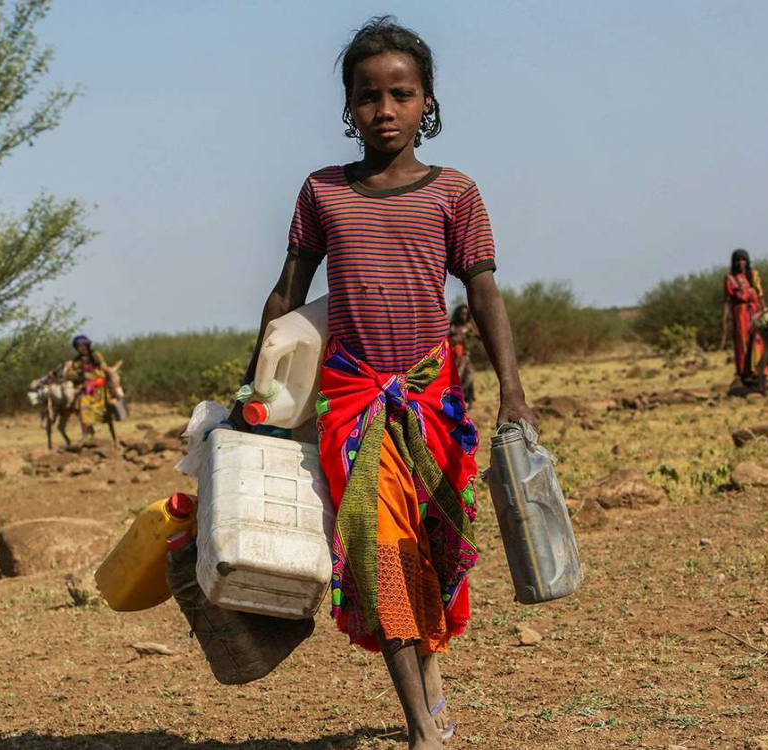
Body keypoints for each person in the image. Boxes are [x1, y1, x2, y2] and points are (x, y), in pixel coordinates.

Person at [230, 17, 539, 749]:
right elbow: (286, 293)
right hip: (352, 400)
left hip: (434, 401)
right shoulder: (323, 193)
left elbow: (485, 291)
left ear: (427, 100)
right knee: (377, 547)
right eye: (369, 97)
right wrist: (250, 391)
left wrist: (514, 390)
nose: (385, 110)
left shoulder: (455, 194)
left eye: (401, 94)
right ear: (348, 108)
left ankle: (430, 685)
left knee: (429, 548)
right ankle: (423, 731)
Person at [59, 335, 120, 446]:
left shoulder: (96, 355)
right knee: (82, 408)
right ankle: (85, 435)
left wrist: (110, 374)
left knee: (108, 412)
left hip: (101, 387)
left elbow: (105, 369)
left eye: (83, 345)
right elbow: (72, 374)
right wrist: (76, 374)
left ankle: (115, 439)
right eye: (79, 346)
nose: (81, 347)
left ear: (87, 344)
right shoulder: (76, 361)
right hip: (88, 389)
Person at [723, 248, 766, 386]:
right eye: (738, 260)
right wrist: (725, 319)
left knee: (758, 339)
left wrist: (765, 311)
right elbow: (728, 299)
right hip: (740, 312)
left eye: (743, 260)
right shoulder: (730, 278)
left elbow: (760, 295)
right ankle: (744, 373)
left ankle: (759, 371)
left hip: (755, 309)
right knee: (743, 341)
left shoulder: (754, 275)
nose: (741, 263)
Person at [447, 304, 479, 407]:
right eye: (462, 314)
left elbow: (478, 336)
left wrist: (472, 334)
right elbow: (446, 339)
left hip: (465, 355)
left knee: (469, 375)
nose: (464, 316)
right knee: (459, 377)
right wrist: (455, 339)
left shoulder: (468, 325)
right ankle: (456, 398)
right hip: (456, 356)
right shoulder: (453, 326)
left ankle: (468, 399)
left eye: (466, 314)